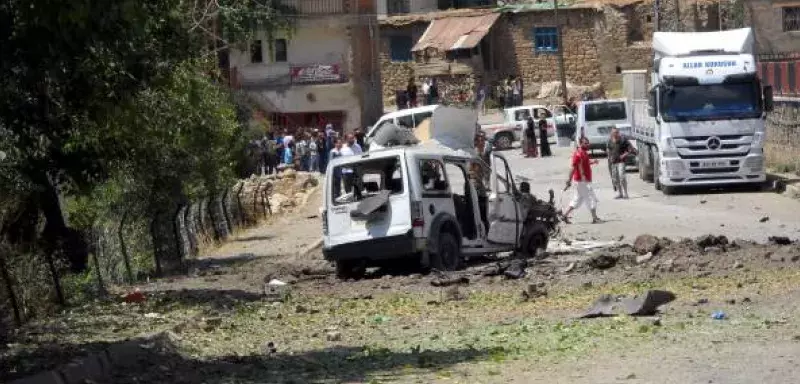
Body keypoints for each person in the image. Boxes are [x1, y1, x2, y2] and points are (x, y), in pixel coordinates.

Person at [563, 137, 601, 224]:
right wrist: (568, 180)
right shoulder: (578, 154)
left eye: (588, 143)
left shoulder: (583, 153)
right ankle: (594, 218)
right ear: (580, 144)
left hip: (582, 181)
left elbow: (585, 163)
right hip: (582, 181)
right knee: (591, 197)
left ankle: (564, 215)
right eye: (585, 143)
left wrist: (593, 162)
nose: (588, 145)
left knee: (578, 199)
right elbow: (573, 168)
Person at [607, 127, 635, 199]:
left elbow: (630, 149)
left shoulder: (623, 140)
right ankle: (620, 193)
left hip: (621, 162)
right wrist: (609, 157)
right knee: (616, 179)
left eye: (616, 132)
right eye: (613, 133)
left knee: (622, 176)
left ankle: (625, 193)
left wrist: (624, 155)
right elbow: (608, 150)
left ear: (618, 133)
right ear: (611, 133)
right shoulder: (610, 140)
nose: (615, 134)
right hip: (613, 162)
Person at [469, 161, 489, 235]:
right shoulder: (474, 180)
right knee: (481, 218)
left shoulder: (475, 179)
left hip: (480, 198)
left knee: (482, 218)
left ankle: (484, 233)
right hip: (478, 199)